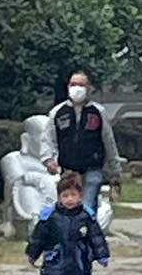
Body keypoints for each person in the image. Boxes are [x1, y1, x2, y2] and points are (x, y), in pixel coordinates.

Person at [26, 170, 110, 275]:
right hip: (58, 255)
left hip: (79, 257)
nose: (69, 199)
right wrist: (33, 253)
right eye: (65, 196)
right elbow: (39, 237)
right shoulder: (51, 216)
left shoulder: (86, 216)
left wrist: (102, 255)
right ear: (59, 197)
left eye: (73, 195)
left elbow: (96, 236)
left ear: (80, 196)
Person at [41, 69, 123, 214]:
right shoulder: (58, 112)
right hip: (68, 170)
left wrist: (114, 170)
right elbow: (48, 139)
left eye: (81, 85)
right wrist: (48, 159)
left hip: (93, 167)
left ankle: (87, 227)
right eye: (73, 84)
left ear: (89, 88)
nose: (76, 88)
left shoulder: (98, 112)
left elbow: (108, 140)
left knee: (87, 207)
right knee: (69, 206)